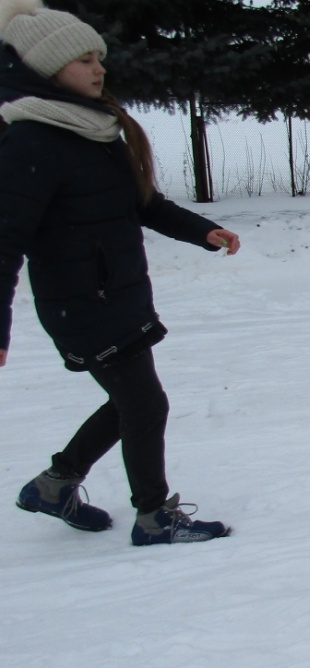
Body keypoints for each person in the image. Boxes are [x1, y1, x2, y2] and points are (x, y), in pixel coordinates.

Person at [0, 0, 239, 545]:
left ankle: (56, 485)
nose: (99, 68)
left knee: (130, 402)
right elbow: (5, 238)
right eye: (84, 60)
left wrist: (203, 231)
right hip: (83, 303)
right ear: (48, 69)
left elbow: (142, 202)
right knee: (146, 404)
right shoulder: (32, 140)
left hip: (116, 294)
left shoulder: (93, 129)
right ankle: (153, 517)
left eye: (98, 58)